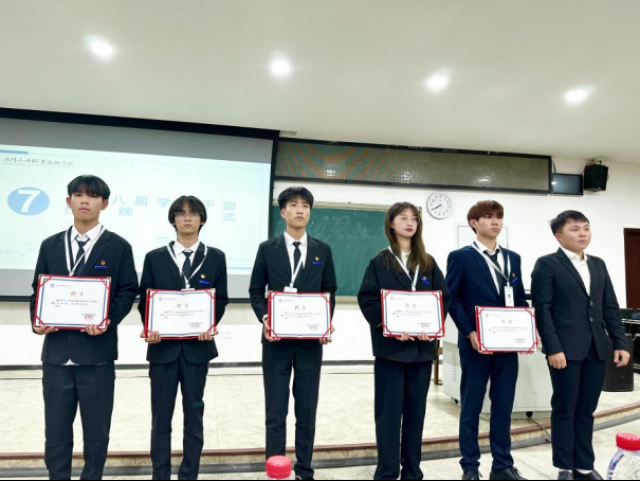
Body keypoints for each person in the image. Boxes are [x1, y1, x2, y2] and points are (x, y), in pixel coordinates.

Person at [29, 175, 138, 480]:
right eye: (78, 195)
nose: (84, 201)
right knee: (56, 432)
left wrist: (107, 320)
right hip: (56, 356)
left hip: (97, 356)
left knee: (96, 433)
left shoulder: (119, 246)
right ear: (69, 202)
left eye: (92, 196)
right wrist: (37, 321)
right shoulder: (50, 245)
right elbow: (38, 289)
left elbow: (127, 290)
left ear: (105, 203)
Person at [531, 211, 630, 481]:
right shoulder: (547, 265)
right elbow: (543, 310)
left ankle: (584, 467)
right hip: (564, 351)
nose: (583, 233)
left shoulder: (598, 264)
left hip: (596, 348)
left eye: (586, 228)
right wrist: (553, 348)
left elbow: (610, 305)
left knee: (586, 409)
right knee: (565, 408)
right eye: (575, 229)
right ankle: (564, 467)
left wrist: (620, 342)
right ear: (559, 236)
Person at [358, 202, 452, 480]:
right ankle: (387, 472)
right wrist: (388, 325)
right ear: (391, 223)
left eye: (414, 218)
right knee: (388, 416)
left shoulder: (428, 262)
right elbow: (368, 299)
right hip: (390, 351)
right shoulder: (379, 262)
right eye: (403, 218)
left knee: (415, 414)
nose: (410, 223)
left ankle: (412, 471)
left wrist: (431, 326)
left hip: (421, 351)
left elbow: (443, 299)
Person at [249, 186, 337, 481]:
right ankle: (275, 470)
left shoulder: (322, 250)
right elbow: (255, 291)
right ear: (283, 211)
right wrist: (265, 318)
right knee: (276, 412)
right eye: (294, 205)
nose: (300, 210)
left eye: (305, 206)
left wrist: (325, 322)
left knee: (306, 410)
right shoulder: (267, 249)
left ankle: (304, 470)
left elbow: (329, 290)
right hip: (275, 342)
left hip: (310, 343)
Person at [138, 195, 229, 480]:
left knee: (194, 418)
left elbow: (220, 299)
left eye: (193, 213)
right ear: (173, 219)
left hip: (197, 350)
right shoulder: (155, 257)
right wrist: (149, 326)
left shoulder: (215, 257)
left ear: (202, 219)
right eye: (181, 213)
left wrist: (209, 323)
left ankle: (189, 474)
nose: (187, 217)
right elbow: (145, 299)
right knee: (160, 420)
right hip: (162, 350)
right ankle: (160, 475)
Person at [446, 200, 528, 481]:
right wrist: (469, 331)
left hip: (507, 345)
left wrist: (526, 331)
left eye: (499, 217)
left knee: (503, 405)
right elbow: (452, 299)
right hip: (476, 344)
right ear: (474, 223)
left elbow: (519, 299)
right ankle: (470, 466)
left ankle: (502, 465)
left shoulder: (513, 258)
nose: (495, 222)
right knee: (471, 406)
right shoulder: (461, 257)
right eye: (488, 217)